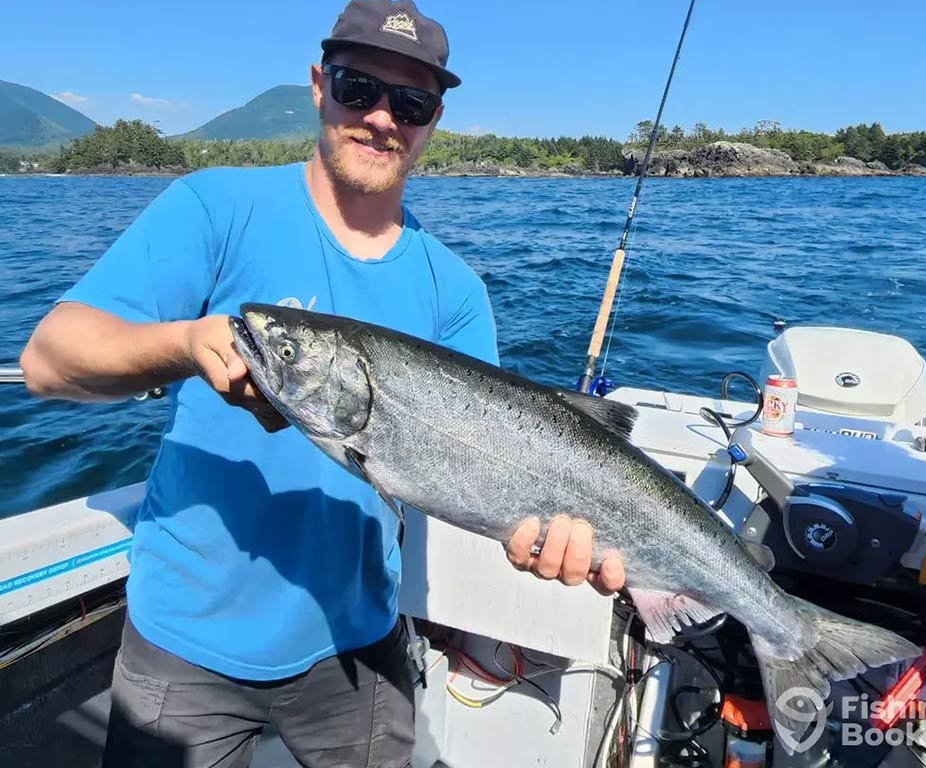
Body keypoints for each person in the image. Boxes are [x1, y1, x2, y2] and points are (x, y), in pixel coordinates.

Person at [20, 1, 625, 766]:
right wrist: (183, 343)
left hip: (359, 643)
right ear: (317, 84)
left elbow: (488, 463)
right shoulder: (216, 205)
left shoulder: (456, 289)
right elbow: (48, 360)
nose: (380, 118)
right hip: (183, 642)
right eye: (357, 87)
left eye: (410, 103)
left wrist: (542, 534)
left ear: (433, 119)